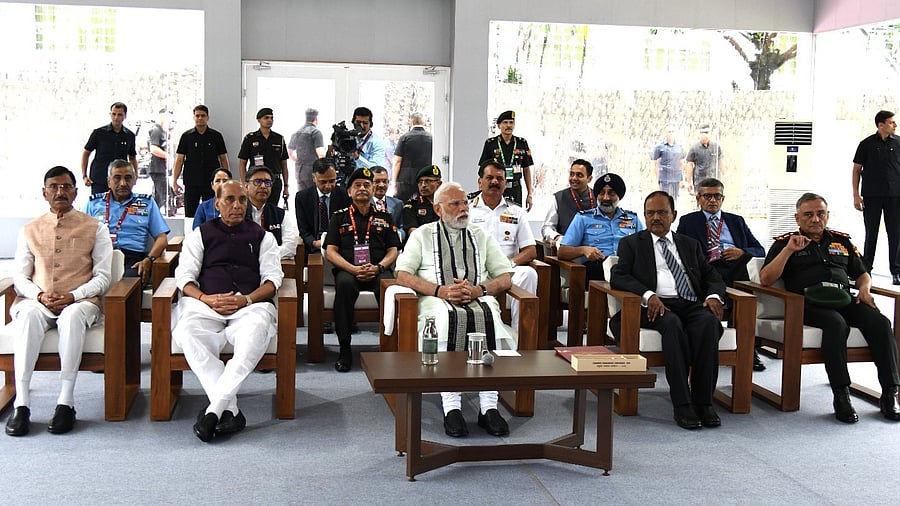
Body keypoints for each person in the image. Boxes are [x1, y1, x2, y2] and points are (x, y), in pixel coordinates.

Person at [759, 192, 900, 423]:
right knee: (836, 324)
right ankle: (841, 394)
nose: (815, 219)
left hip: (844, 299)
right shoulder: (785, 242)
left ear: (827, 215)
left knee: (880, 322)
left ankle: (889, 392)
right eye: (808, 214)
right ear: (797, 218)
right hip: (807, 304)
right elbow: (765, 278)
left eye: (820, 213)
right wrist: (789, 251)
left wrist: (864, 289)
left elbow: (862, 273)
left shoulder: (841, 241)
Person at [395, 181, 516, 438]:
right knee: (444, 319)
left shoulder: (480, 235)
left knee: (489, 319)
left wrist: (478, 290)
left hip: (478, 297)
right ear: (438, 210)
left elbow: (505, 276)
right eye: (455, 204)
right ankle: (452, 408)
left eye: (465, 203)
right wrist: (440, 291)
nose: (463, 209)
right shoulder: (422, 235)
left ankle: (489, 408)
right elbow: (402, 274)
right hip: (435, 299)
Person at [172, 180, 284, 442]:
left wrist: (246, 300)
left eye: (242, 200)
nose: (237, 206)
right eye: (230, 200)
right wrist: (205, 298)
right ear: (217, 203)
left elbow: (272, 280)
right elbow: (184, 276)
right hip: (205, 304)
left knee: (255, 333)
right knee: (187, 331)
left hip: (248, 306)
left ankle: (213, 410)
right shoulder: (200, 234)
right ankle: (229, 409)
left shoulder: (263, 236)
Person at [5, 166, 113, 437]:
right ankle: (21, 403)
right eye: (54, 187)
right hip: (37, 300)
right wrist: (39, 295)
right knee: (27, 316)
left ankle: (66, 402)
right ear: (44, 193)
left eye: (66, 187)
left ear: (76, 192)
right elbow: (20, 276)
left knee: (72, 317)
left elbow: (103, 277)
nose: (60, 192)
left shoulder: (95, 228)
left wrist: (73, 296)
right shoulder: (29, 230)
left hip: (79, 300)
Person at [610, 191, 727, 430]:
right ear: (644, 216)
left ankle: (704, 402)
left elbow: (712, 276)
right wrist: (648, 295)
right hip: (655, 307)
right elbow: (618, 276)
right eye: (650, 213)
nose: (656, 217)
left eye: (662, 212)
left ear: (673, 215)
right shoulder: (632, 244)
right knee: (672, 325)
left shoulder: (689, 244)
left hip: (691, 303)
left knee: (707, 324)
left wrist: (714, 296)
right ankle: (682, 404)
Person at [676, 177, 767, 371]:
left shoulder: (736, 221)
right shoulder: (688, 221)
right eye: (707, 196)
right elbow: (678, 250)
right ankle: (707, 346)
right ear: (698, 198)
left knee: (744, 299)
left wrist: (743, 252)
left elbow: (760, 249)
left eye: (717, 196)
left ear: (723, 198)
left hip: (735, 270)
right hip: (705, 270)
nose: (712, 200)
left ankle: (747, 349)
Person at [324, 167, 400, 372]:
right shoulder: (338, 217)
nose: (362, 189)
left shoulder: (386, 216)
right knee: (345, 286)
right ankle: (345, 348)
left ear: (373, 189)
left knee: (390, 288)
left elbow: (394, 250)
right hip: (349, 270)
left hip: (378, 269)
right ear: (349, 191)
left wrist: (379, 266)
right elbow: (330, 251)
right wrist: (352, 269)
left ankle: (390, 349)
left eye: (367, 185)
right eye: (357, 185)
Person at [468, 159, 538, 327]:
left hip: (507, 269)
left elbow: (530, 250)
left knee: (529, 274)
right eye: (489, 178)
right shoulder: (467, 210)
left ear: (505, 184)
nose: (494, 182)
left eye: (499, 179)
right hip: (475, 270)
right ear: (480, 182)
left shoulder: (516, 212)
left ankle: (520, 335)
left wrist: (510, 263)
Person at [84, 160, 169, 283]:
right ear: (109, 181)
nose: (123, 183)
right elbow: (80, 235)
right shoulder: (93, 204)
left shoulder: (147, 203)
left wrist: (149, 259)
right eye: (117, 178)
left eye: (128, 178)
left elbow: (162, 238)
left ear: (135, 180)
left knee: (126, 286)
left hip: (133, 259)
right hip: (99, 257)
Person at [558, 173, 643, 281]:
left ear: (619, 196)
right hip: (597, 270)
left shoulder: (632, 219)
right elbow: (562, 252)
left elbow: (647, 246)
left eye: (611, 193)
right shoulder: (583, 218)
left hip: (627, 268)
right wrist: (583, 250)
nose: (606, 198)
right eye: (601, 193)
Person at [851, 110, 900, 284]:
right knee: (871, 233)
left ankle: (896, 271)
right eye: (891, 122)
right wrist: (856, 196)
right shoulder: (866, 144)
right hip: (871, 196)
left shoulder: (899, 143)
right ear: (881, 125)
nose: (894, 125)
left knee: (895, 233)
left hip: (895, 196)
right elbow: (856, 170)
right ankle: (866, 269)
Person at [172, 105, 230, 218]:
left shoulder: (216, 136)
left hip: (211, 182)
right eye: (197, 116)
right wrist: (174, 181)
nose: (200, 118)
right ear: (193, 117)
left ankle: (212, 234)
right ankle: (191, 234)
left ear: (207, 117)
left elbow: (223, 158)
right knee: (190, 214)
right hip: (191, 181)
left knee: (212, 212)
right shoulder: (186, 137)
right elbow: (179, 160)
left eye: (202, 116)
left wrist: (227, 180)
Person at [295, 158, 351, 259]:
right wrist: (315, 243)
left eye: (332, 181)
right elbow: (304, 230)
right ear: (314, 178)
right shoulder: (302, 197)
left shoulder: (345, 195)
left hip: (339, 247)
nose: (328, 186)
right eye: (323, 182)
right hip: (314, 246)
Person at [479, 110, 535, 210]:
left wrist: (529, 194)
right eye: (505, 122)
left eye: (511, 122)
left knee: (513, 219)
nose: (508, 125)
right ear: (499, 125)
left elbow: (526, 169)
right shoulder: (490, 144)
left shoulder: (522, 143)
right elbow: (483, 170)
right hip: (496, 188)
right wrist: (482, 191)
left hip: (515, 188)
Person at [81, 102, 138, 195]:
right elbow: (86, 153)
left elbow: (132, 157)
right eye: (114, 114)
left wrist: (135, 176)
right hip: (99, 178)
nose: (116, 117)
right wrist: (84, 175)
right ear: (110, 114)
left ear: (125, 116)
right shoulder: (99, 133)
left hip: (120, 181)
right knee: (98, 206)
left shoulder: (129, 135)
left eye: (120, 115)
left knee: (120, 206)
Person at [244, 165, 299, 259]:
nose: (263, 186)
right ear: (246, 186)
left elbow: (290, 247)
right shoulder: (236, 213)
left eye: (267, 182)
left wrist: (264, 255)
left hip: (273, 266)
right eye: (257, 182)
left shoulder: (281, 215)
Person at [238, 107, 290, 207]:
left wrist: (286, 186)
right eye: (266, 118)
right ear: (259, 120)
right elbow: (242, 163)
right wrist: (245, 183)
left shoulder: (279, 139)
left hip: (274, 181)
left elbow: (284, 165)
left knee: (272, 209)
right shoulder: (250, 138)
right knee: (254, 208)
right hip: (256, 181)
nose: (269, 120)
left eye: (271, 118)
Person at [541, 159, 596, 250]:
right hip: (568, 250)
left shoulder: (598, 198)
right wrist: (557, 237)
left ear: (589, 179)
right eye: (571, 174)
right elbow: (547, 227)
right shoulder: (559, 198)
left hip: (595, 248)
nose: (574, 178)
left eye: (579, 175)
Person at [392, 112, 433, 201]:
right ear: (424, 122)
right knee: (425, 206)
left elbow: (397, 161)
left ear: (411, 122)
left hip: (406, 179)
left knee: (401, 205)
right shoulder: (431, 138)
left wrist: (394, 181)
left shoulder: (404, 137)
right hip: (425, 178)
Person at [288, 108, 326, 192]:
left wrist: (299, 160)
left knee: (302, 196)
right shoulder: (315, 132)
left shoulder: (296, 132)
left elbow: (289, 152)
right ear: (316, 119)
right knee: (312, 197)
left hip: (299, 171)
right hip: (311, 171)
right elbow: (321, 154)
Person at [402, 165, 442, 237]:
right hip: (421, 244)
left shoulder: (446, 205)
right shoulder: (412, 205)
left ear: (439, 184)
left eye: (428, 181)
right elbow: (412, 231)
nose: (423, 185)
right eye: (420, 182)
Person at [685, 124, 724, 194]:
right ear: (699, 134)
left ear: (710, 133)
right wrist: (688, 182)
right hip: (700, 182)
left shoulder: (716, 147)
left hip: (714, 180)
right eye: (702, 133)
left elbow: (720, 161)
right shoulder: (694, 148)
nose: (704, 135)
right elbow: (689, 165)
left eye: (706, 133)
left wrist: (724, 176)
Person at [370, 165, 405, 242]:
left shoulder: (398, 204)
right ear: (369, 183)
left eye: (385, 181)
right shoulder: (364, 204)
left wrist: (395, 235)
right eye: (377, 181)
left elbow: (403, 228)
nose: (381, 185)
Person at [147, 108, 171, 213]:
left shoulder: (163, 131)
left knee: (158, 196)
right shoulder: (156, 130)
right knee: (165, 194)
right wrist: (168, 156)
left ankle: (152, 213)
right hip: (156, 168)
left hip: (161, 168)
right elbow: (154, 148)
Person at [651, 126, 685, 200]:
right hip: (664, 178)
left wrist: (682, 179)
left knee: (674, 200)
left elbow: (681, 164)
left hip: (676, 178)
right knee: (664, 199)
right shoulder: (659, 147)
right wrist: (655, 181)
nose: (671, 134)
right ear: (665, 133)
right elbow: (654, 164)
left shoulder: (680, 147)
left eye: (673, 131)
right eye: (669, 132)